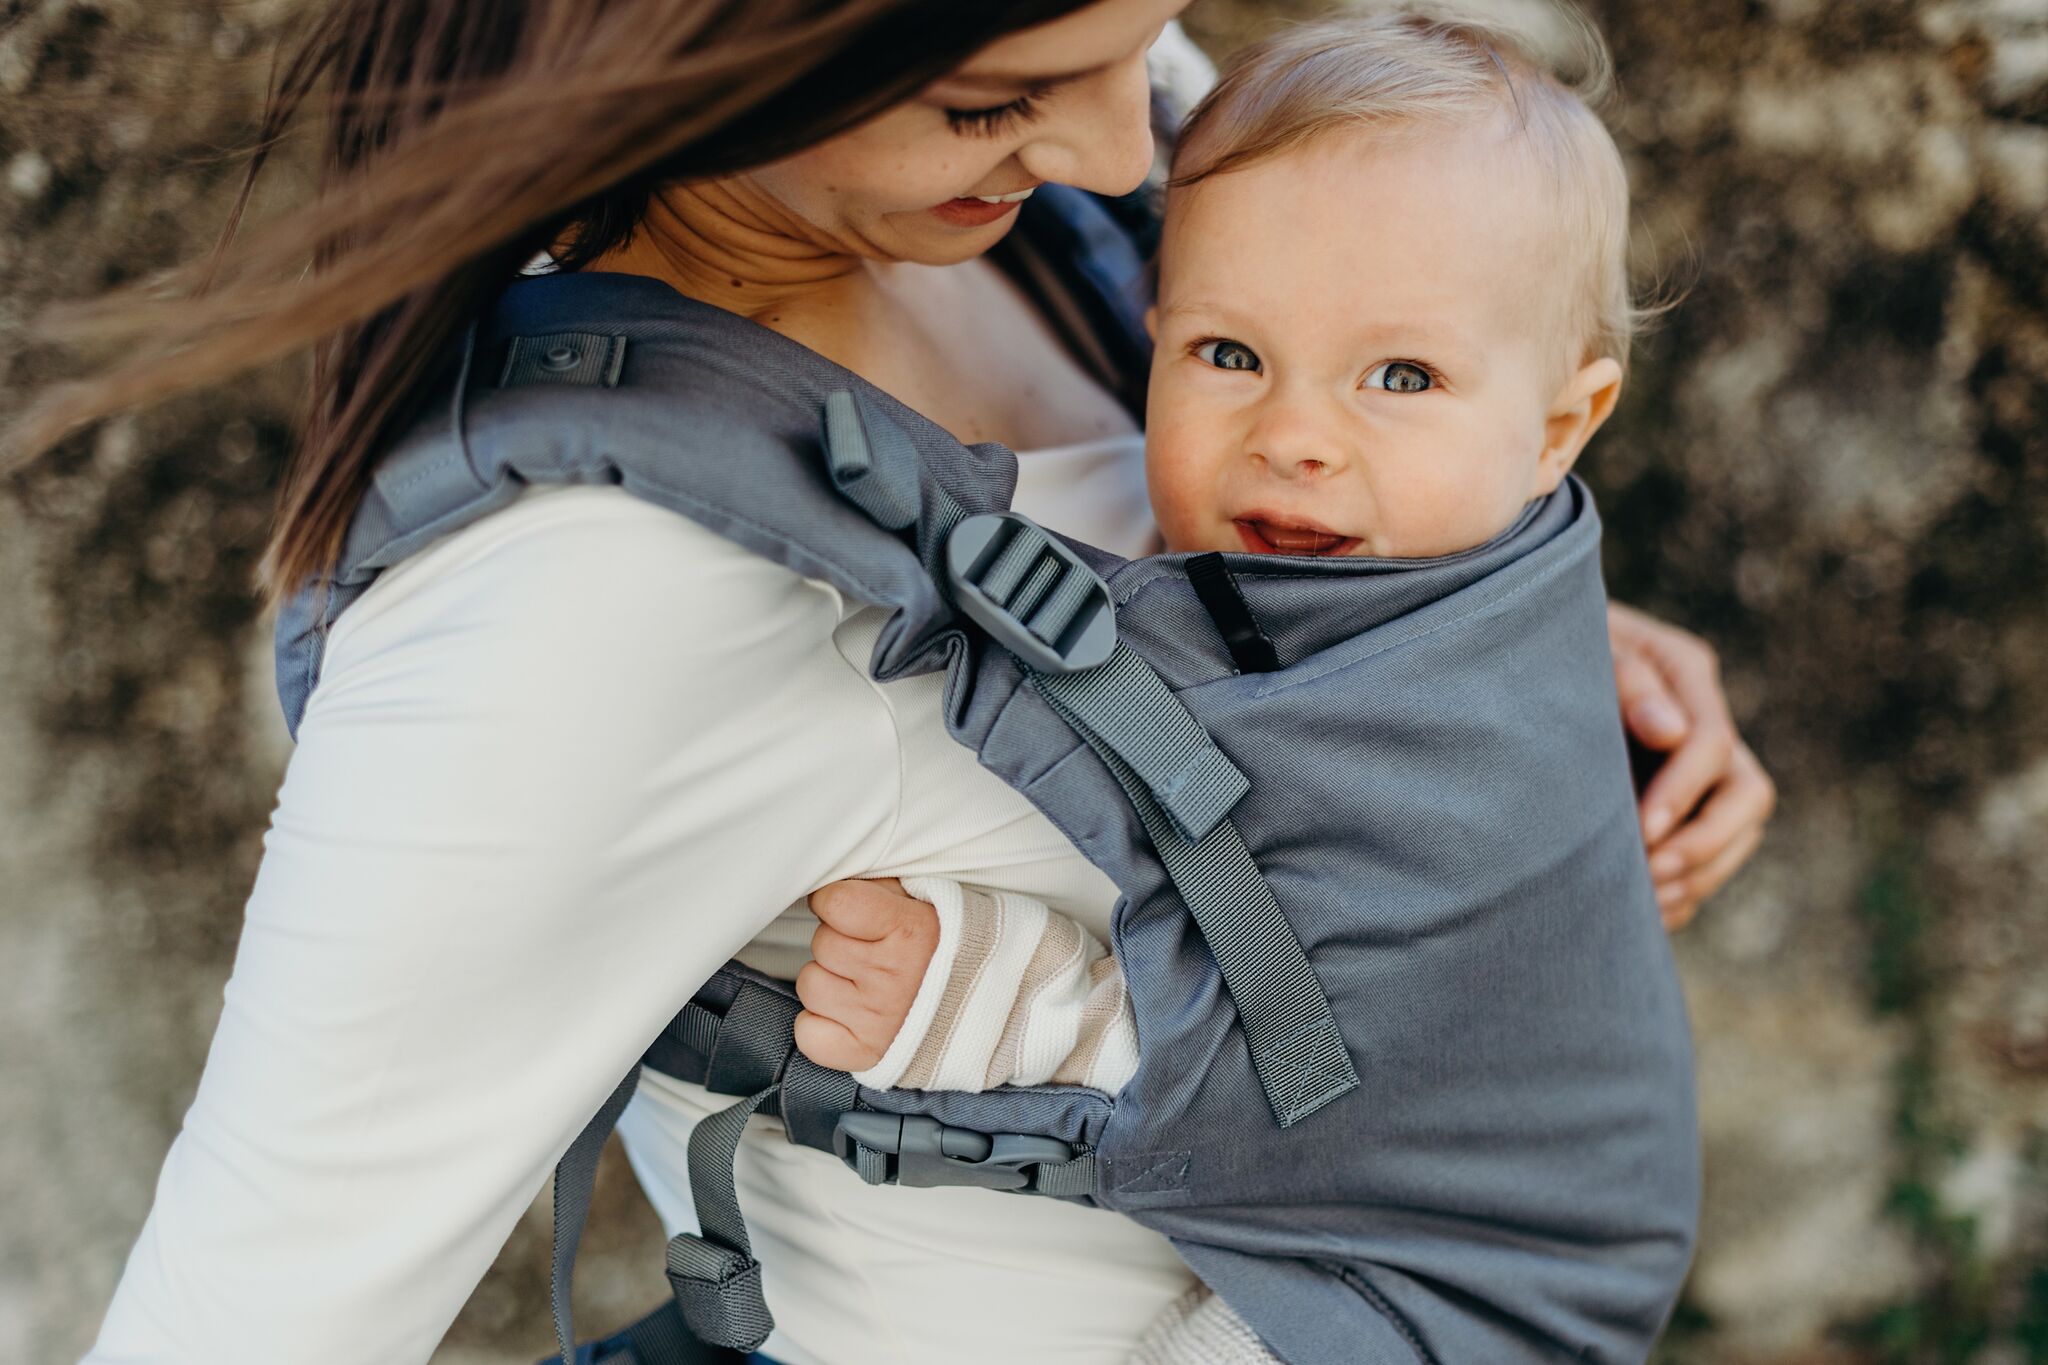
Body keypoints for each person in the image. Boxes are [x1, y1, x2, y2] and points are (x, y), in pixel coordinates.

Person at [3, 2, 1773, 1361]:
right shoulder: (575, 616)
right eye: (998, 98)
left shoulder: (1065, 114)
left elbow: (1333, 458)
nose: (1122, 137)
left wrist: (1495, 663)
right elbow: (243, 1314)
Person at [790, 13, 1686, 1360]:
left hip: (1478, 1276)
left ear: (1557, 429)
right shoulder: (1385, 571)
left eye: (1400, 375)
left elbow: (1319, 1046)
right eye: (1226, 355)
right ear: (1153, 333)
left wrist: (984, 989)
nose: (1295, 437)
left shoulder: (1454, 722)